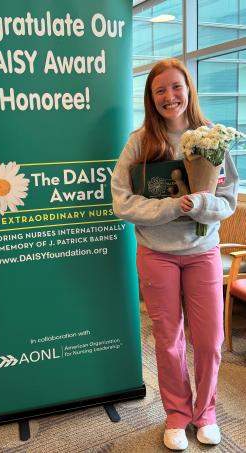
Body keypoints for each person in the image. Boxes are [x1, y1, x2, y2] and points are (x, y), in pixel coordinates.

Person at [111, 58, 239, 451]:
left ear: (189, 89)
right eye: (160, 90)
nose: (170, 97)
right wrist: (171, 207)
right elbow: (121, 201)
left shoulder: (212, 138)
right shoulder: (140, 142)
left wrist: (201, 206)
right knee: (168, 340)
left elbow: (229, 199)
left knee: (210, 340)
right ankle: (178, 414)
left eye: (176, 87)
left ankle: (207, 413)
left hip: (203, 252)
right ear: (151, 98)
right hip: (157, 255)